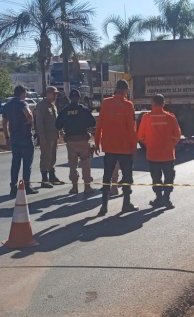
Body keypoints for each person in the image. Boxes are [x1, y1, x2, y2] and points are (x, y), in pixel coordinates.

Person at [95, 79, 139, 216]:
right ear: (125, 90)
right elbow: (131, 129)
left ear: (116, 89)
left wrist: (97, 143)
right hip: (124, 148)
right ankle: (126, 204)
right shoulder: (128, 105)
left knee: (106, 177)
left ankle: (104, 206)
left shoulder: (106, 103)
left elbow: (99, 124)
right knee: (126, 177)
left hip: (109, 148)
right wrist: (134, 146)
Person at [137, 94, 181, 209]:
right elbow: (177, 136)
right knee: (169, 177)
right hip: (168, 156)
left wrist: (149, 145)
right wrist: (170, 146)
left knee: (156, 178)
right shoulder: (170, 117)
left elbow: (140, 136)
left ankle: (159, 198)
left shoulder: (146, 118)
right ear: (163, 103)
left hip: (153, 155)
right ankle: (166, 199)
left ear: (152, 103)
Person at [56, 88, 97, 196]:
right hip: (83, 140)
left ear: (70, 98)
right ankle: (87, 187)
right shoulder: (83, 109)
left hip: (70, 141)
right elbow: (92, 122)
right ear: (79, 98)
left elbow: (57, 125)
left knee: (72, 165)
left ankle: (74, 187)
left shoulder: (65, 110)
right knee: (85, 163)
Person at [2, 85, 38, 196]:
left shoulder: (7, 105)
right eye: (25, 92)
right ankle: (27, 185)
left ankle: (13, 186)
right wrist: (29, 122)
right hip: (25, 137)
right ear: (22, 93)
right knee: (27, 163)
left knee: (15, 163)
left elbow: (4, 123)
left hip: (14, 137)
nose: (26, 94)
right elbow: (29, 114)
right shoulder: (22, 103)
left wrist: (7, 137)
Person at [35, 86, 63, 188]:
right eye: (53, 94)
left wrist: (60, 132)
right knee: (45, 157)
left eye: (56, 94)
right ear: (47, 94)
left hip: (54, 136)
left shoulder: (53, 106)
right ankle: (44, 179)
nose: (55, 96)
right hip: (46, 137)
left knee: (53, 157)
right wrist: (41, 137)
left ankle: (52, 176)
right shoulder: (41, 106)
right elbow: (39, 123)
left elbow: (55, 120)